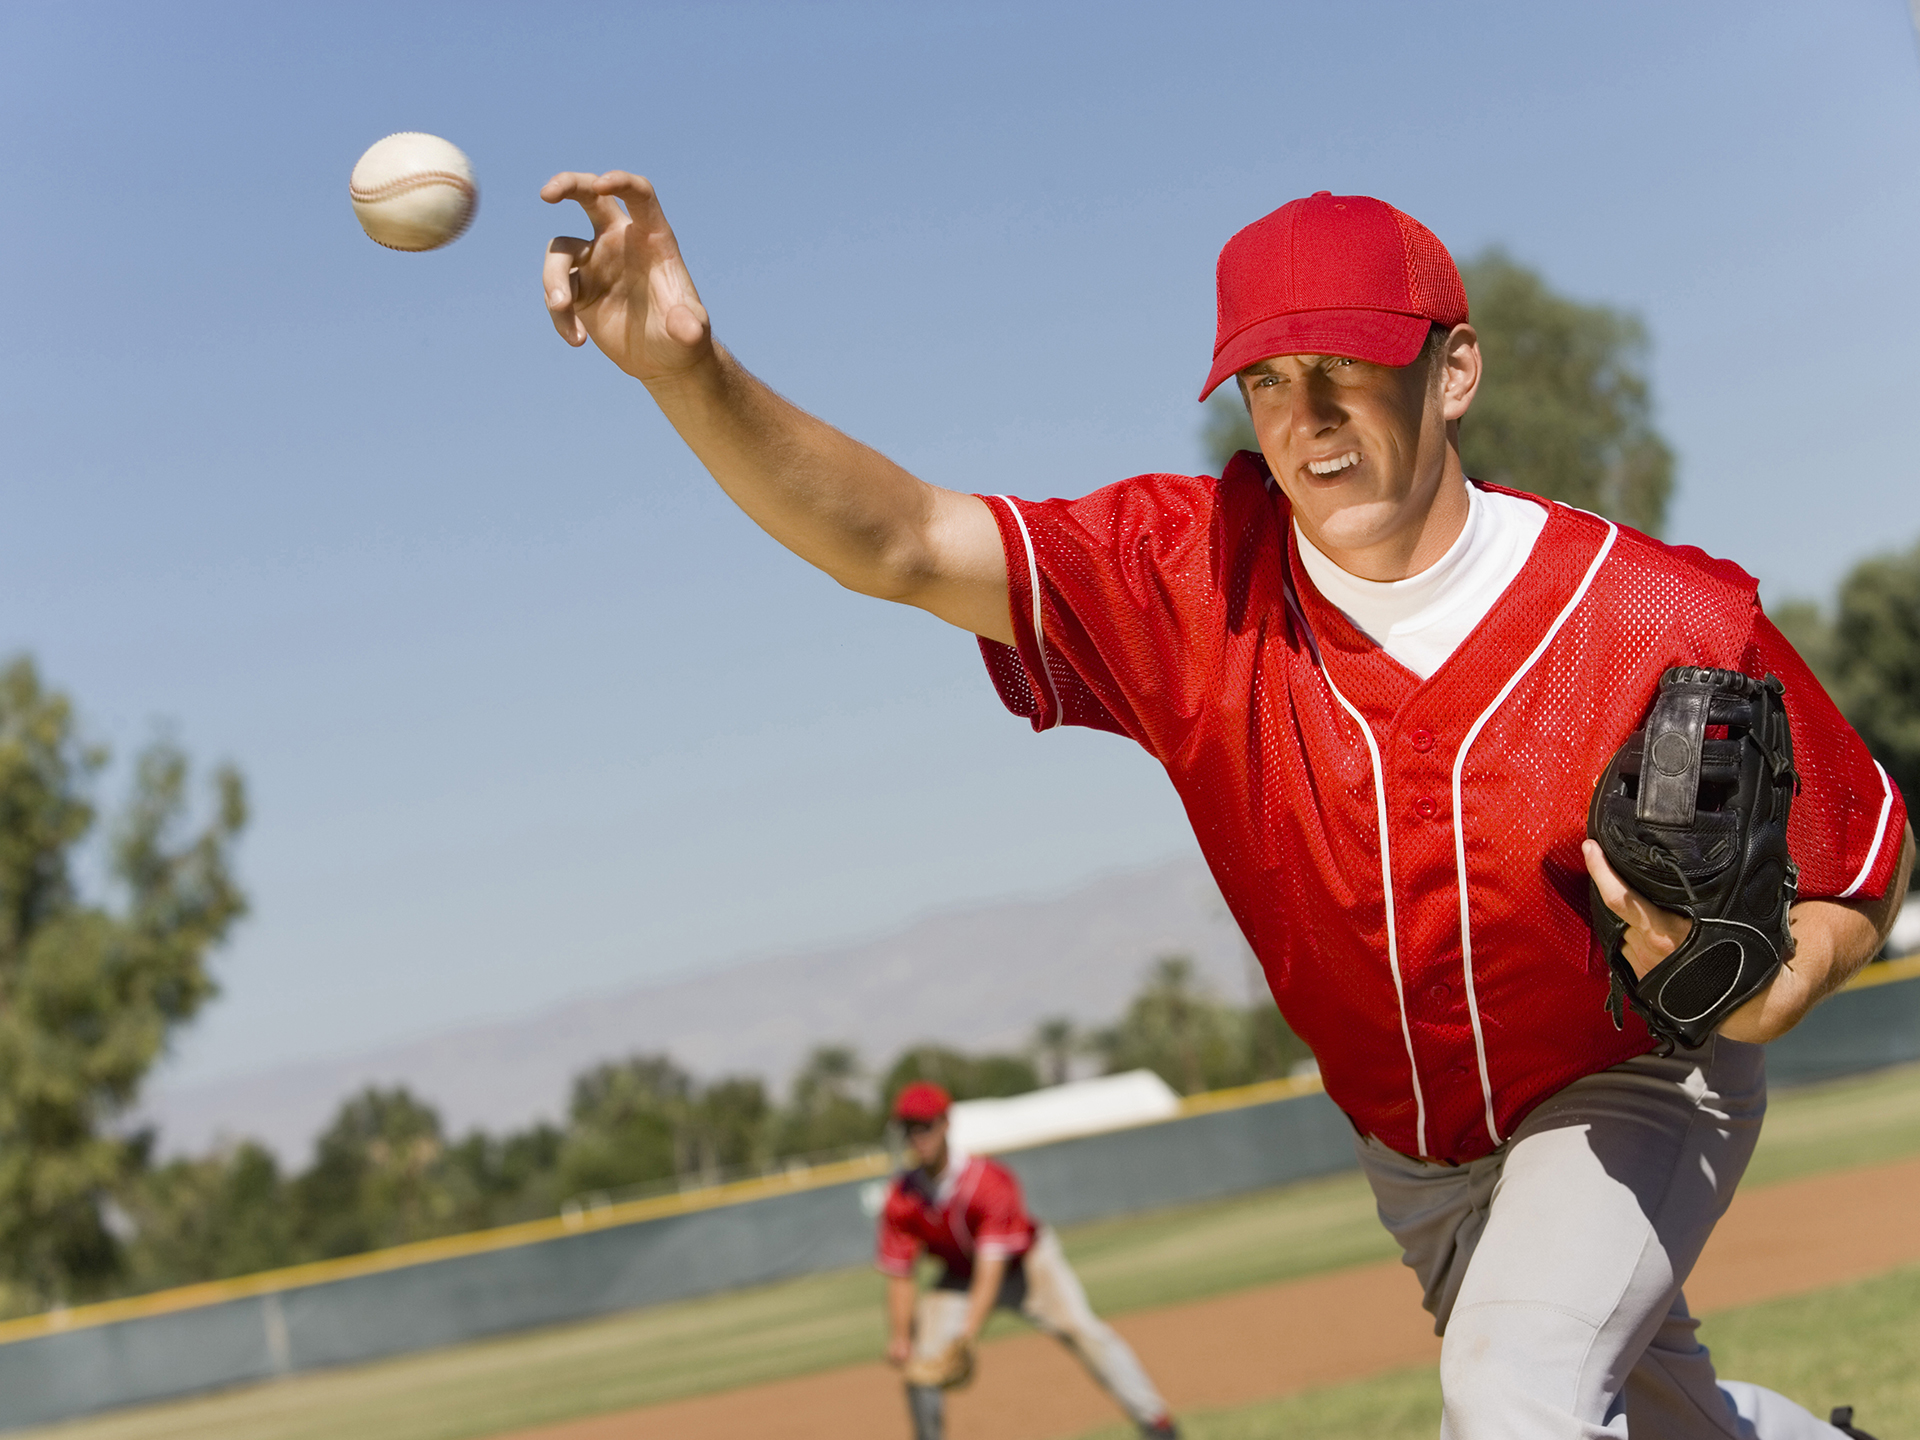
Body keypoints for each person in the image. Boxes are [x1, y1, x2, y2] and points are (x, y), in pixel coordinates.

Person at [538, 174, 1915, 1439]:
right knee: (1656, 1421)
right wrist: (689, 372)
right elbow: (900, 539)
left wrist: (1783, 985)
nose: (1304, 418)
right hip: (1415, 1148)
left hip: (1631, 1079)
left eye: (1344, 369)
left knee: (1512, 1390)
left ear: (1455, 370)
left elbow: (1866, 854)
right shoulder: (1188, 582)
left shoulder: (1658, 615)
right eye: (1267, 379)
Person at [875, 1081, 1177, 1439]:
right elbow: (900, 1273)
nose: (917, 1136)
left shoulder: (989, 1182)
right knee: (922, 1367)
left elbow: (992, 1265)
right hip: (958, 1275)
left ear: (945, 1124)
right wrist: (900, 1338)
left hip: (1027, 1266)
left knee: (1084, 1331)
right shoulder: (901, 1197)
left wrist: (967, 1335)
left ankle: (1157, 1424)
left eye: (925, 1125)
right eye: (908, 1128)